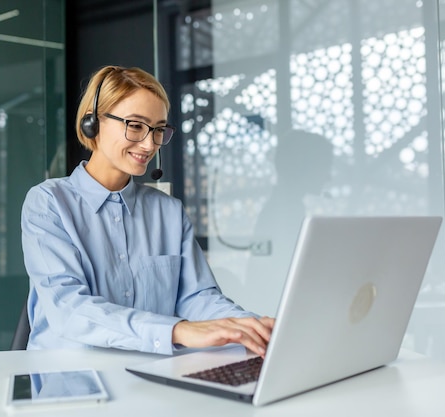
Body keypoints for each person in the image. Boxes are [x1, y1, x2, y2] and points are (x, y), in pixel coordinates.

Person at [21, 65, 274, 356]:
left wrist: (250, 327)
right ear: (93, 123)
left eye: (158, 130)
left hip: (150, 371)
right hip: (72, 377)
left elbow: (196, 296)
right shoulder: (48, 203)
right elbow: (69, 308)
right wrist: (177, 330)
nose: (149, 143)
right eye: (136, 125)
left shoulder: (168, 212)